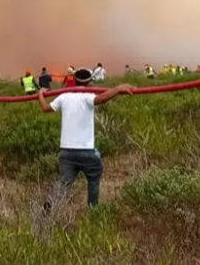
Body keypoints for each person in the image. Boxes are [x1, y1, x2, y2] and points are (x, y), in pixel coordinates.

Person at [38, 68, 135, 209]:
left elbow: (45, 108)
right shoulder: (88, 96)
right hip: (86, 151)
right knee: (94, 179)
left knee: (64, 183)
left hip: (66, 152)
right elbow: (101, 99)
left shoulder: (64, 96)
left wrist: (40, 94)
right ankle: (93, 210)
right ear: (89, 83)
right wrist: (118, 89)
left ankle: (50, 207)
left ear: (74, 81)